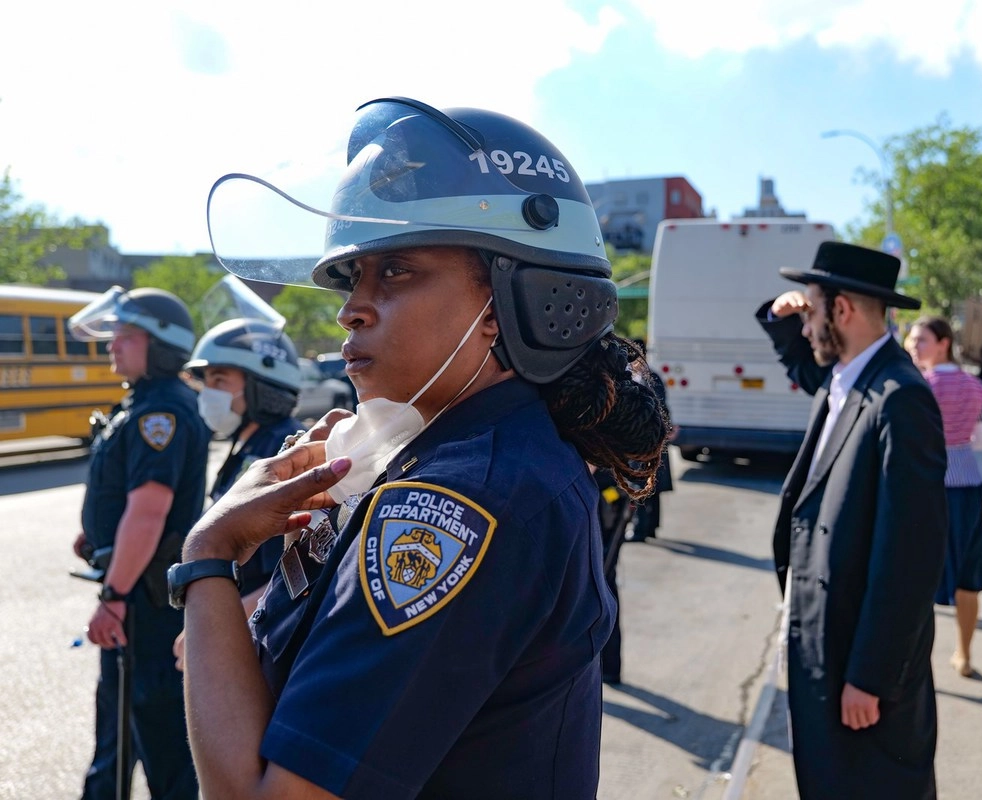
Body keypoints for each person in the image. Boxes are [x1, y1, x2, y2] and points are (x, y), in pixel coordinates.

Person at [172, 97, 670, 799]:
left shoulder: (462, 500)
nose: (352, 307)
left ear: (505, 304)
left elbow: (261, 795)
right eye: (352, 278)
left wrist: (207, 554)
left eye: (395, 271)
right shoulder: (454, 455)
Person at [756, 241, 948, 799]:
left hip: (858, 663)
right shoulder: (848, 376)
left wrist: (871, 675)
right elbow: (802, 363)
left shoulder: (901, 399)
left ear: (842, 311)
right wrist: (782, 317)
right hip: (825, 638)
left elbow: (910, 558)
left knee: (868, 784)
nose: (808, 322)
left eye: (814, 310)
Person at [67, 286, 208, 799]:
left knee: (157, 738)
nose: (113, 346)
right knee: (119, 730)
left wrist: (115, 598)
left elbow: (148, 514)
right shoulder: (143, 404)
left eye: (126, 337)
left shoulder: (161, 413)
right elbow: (131, 499)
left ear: (161, 346)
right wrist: (98, 533)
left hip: (143, 603)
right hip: (137, 596)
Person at [184, 319, 304, 602]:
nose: (208, 392)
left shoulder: (285, 448)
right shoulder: (248, 442)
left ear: (261, 386)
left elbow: (287, 575)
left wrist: (220, 625)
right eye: (207, 381)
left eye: (220, 379)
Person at [909, 316, 982, 678]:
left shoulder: (918, 385)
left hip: (928, 483)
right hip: (968, 482)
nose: (914, 345)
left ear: (943, 342)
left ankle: (913, 658)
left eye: (921, 339)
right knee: (967, 576)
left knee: (918, 573)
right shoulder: (974, 385)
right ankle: (964, 653)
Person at [627, 338, 673, 542]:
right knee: (651, 485)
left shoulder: (645, 377)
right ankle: (651, 526)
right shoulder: (649, 376)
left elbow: (660, 408)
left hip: (645, 440)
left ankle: (641, 529)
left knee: (641, 485)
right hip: (650, 439)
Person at [594, 466, 635, 685]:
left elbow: (615, 490)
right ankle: (608, 667)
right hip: (607, 502)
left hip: (608, 507)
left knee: (603, 590)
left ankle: (609, 667)